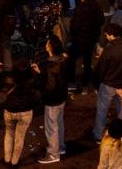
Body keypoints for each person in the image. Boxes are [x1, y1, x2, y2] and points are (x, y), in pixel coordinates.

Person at [92, 22, 122, 142]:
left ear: (112, 35)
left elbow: (101, 69)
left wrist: (96, 85)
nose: (106, 37)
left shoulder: (109, 50)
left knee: (102, 110)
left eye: (107, 35)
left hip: (108, 85)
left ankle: (98, 134)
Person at [2, 59, 40, 166]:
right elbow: (40, 91)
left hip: (9, 111)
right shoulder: (32, 80)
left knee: (9, 134)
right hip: (25, 112)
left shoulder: (9, 79)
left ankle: (7, 159)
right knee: (20, 137)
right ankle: (14, 162)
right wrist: (38, 73)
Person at [39, 36, 69, 164]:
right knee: (59, 124)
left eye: (47, 43)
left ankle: (53, 154)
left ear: (50, 47)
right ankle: (60, 147)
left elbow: (50, 86)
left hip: (52, 100)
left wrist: (40, 79)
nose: (46, 44)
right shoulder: (63, 60)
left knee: (51, 127)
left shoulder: (50, 65)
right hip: (61, 98)